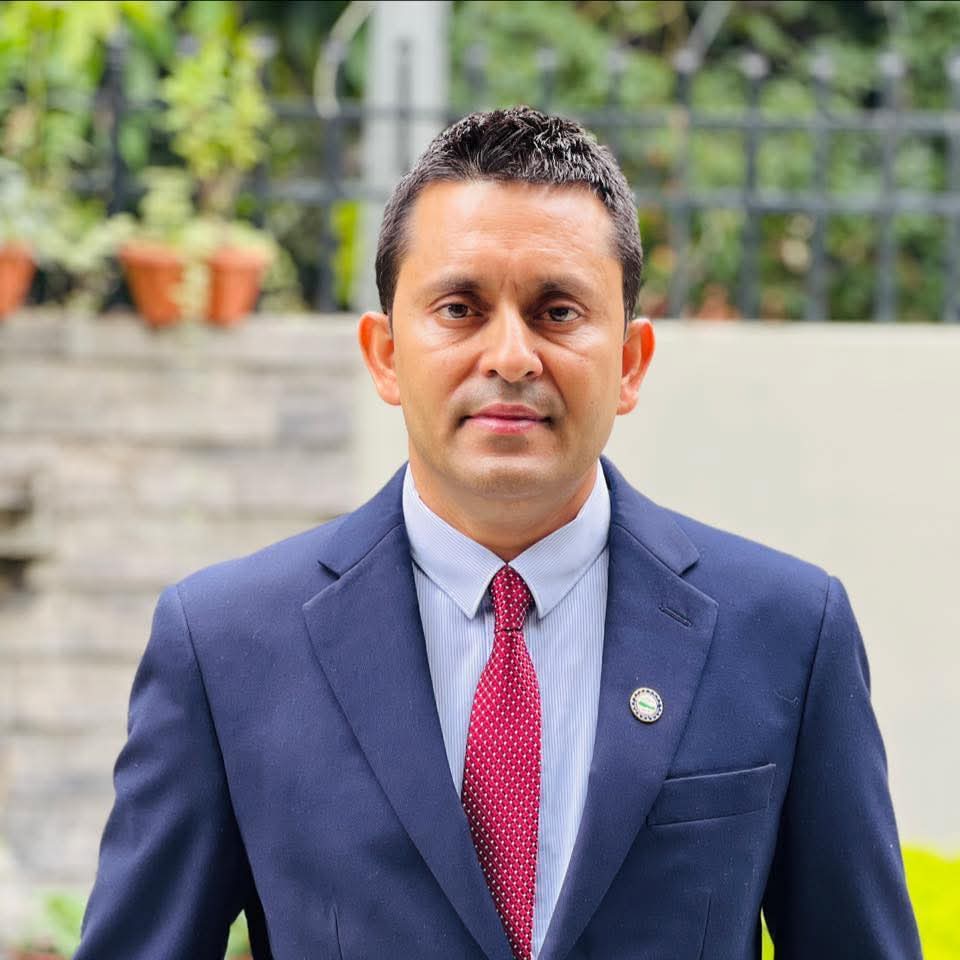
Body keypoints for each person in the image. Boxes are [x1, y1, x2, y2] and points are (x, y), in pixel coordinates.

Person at [75, 107, 921, 960]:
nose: (511, 356)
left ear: (630, 363)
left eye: (558, 311)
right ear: (384, 354)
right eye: (460, 308)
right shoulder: (226, 645)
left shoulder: (785, 632)